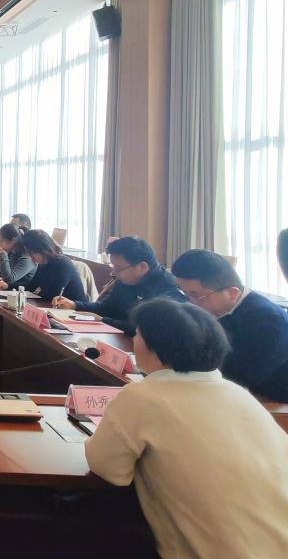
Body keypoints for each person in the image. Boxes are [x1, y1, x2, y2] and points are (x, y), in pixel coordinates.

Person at [85, 298, 288, 558]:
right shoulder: (239, 394)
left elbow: (109, 469)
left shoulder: (143, 396)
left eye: (137, 335)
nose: (133, 340)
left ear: (155, 347)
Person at [171, 249, 288, 401]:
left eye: (195, 295)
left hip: (270, 398)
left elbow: (241, 375)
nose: (190, 302)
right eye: (184, 293)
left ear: (232, 293)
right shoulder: (217, 309)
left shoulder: (267, 320)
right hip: (229, 389)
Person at [54, 236, 185, 334]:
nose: (114, 273)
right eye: (113, 267)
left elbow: (143, 330)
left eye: (119, 268)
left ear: (142, 267)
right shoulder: (125, 280)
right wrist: (75, 305)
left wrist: (101, 320)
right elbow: (106, 308)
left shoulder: (168, 290)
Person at [22, 229, 88, 304]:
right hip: (53, 306)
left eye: (32, 254)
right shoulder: (43, 263)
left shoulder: (62, 263)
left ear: (43, 250)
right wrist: (11, 287)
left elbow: (53, 295)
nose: (31, 258)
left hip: (75, 309)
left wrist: (38, 292)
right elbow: (32, 286)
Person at [0, 223, 36, 289]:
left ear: (13, 240)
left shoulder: (27, 258)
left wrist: (3, 256)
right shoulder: (11, 252)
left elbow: (9, 279)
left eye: (2, 241)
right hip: (7, 289)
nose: (0, 244)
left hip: (20, 292)